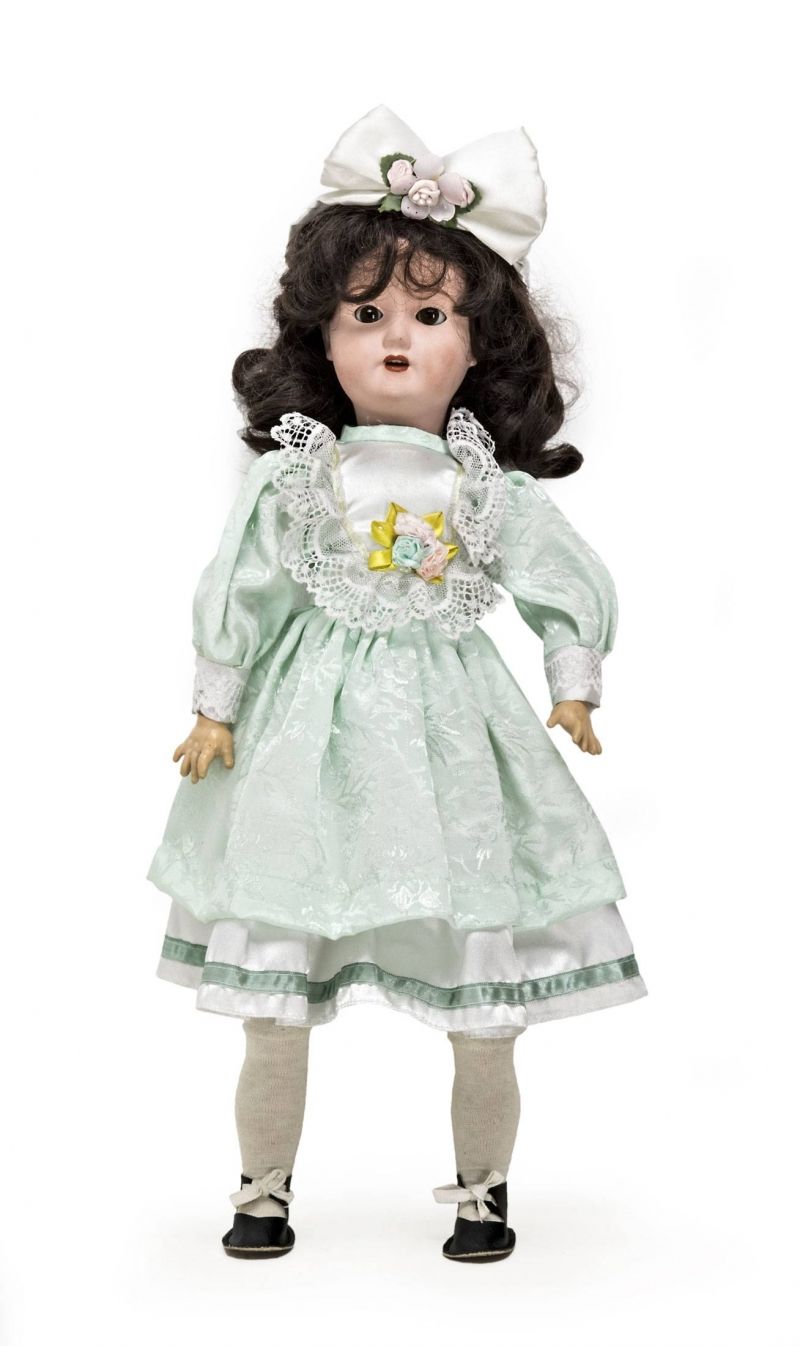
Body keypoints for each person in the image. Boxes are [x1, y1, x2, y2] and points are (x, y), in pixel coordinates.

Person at [147, 104, 647, 1264]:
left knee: (480, 972)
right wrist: (215, 707)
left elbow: (558, 578)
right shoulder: (297, 479)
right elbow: (243, 585)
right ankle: (261, 1188)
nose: (393, 339)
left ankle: (482, 1192)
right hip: (306, 744)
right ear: (320, 337)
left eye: (429, 315)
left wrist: (570, 680)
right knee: (276, 982)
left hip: (454, 737)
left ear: (479, 346)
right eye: (364, 313)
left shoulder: (486, 490)